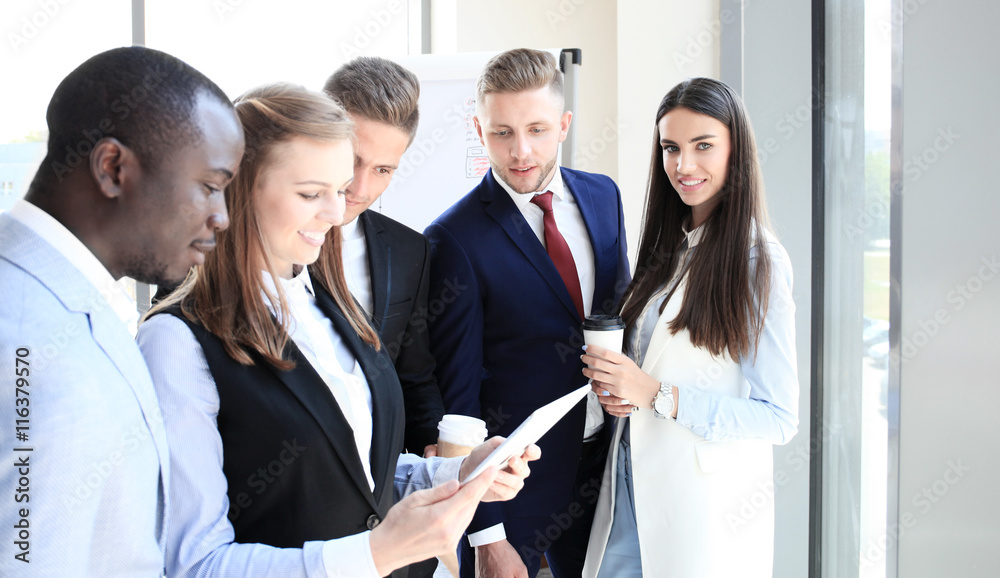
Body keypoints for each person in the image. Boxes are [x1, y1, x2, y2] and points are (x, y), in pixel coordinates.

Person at [137, 83, 538, 578]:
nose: (336, 213)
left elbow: (360, 468)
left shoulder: (331, 302)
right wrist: (374, 555)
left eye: (339, 188)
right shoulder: (177, 342)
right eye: (311, 193)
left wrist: (458, 471)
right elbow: (194, 564)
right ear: (239, 189)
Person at [0, 47, 243, 576]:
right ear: (113, 168)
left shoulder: (72, 292)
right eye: (210, 186)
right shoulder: (22, 334)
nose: (222, 218)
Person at [580, 77, 799, 578]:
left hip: (699, 507)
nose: (684, 165)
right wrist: (622, 392)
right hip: (631, 488)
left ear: (735, 151)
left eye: (703, 146)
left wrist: (657, 394)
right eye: (671, 148)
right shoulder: (671, 248)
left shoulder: (755, 260)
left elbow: (780, 417)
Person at [424, 48, 630, 578]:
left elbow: (620, 312)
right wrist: (487, 535)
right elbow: (459, 399)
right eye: (502, 132)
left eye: (537, 129)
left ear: (563, 125)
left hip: (609, 470)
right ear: (479, 129)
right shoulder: (453, 238)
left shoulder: (604, 197)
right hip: (514, 493)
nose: (520, 151)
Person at [323, 56, 446, 458]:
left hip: (377, 485)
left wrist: (436, 446)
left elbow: (413, 376)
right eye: (354, 160)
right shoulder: (244, 238)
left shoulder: (411, 251)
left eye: (382, 170)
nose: (359, 186)